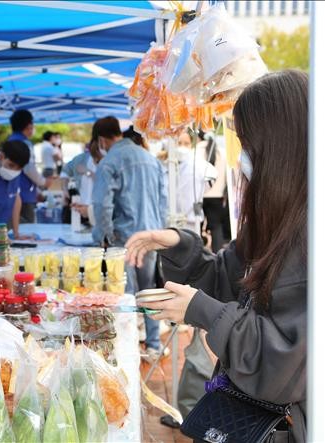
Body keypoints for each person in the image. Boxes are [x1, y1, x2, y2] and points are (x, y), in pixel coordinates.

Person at [127, 70, 308, 442]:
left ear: (280, 145)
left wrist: (202, 310)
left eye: (246, 144)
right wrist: (179, 245)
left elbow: (284, 362)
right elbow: (230, 282)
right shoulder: (277, 216)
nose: (240, 158)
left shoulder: (310, 240)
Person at [90, 116, 167, 359]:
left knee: (124, 297)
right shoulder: (149, 158)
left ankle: (127, 348)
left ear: (102, 140)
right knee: (149, 292)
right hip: (151, 235)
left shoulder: (110, 161)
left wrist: (103, 234)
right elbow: (162, 201)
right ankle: (153, 344)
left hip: (123, 238)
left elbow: (102, 204)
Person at [7, 110, 51, 223]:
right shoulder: (24, 143)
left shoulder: (9, 141)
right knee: (26, 230)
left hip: (11, 193)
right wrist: (43, 182)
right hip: (24, 195)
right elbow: (29, 169)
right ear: (28, 125)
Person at [176, 130, 218, 234]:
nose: (182, 146)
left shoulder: (198, 163)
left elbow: (212, 176)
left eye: (186, 143)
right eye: (179, 143)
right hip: (171, 219)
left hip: (191, 220)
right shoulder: (167, 163)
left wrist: (200, 192)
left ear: (191, 144)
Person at [0, 140, 32, 239]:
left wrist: (16, 233)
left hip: (1, 231)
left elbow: (16, 199)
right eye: (11, 165)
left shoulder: (16, 174)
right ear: (1, 157)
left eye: (19, 168)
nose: (14, 171)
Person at [199, 131, 229, 252]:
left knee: (197, 227)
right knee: (216, 227)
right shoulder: (222, 151)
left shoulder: (198, 149)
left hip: (200, 195)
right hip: (218, 196)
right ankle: (218, 254)